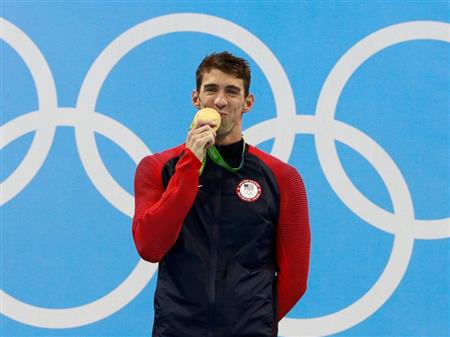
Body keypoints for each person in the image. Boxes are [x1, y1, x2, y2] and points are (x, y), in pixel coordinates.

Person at [132, 51, 311, 337]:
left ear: (247, 103)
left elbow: (296, 279)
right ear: (196, 98)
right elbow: (150, 247)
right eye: (211, 89)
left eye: (232, 91)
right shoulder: (157, 168)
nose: (220, 101)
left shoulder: (282, 178)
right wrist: (190, 164)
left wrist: (252, 321)